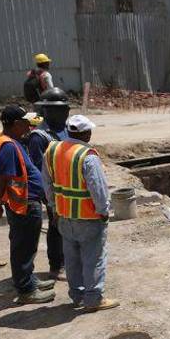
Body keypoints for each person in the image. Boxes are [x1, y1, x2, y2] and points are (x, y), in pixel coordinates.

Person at [43, 114, 118, 313]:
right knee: (94, 259)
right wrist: (103, 211)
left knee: (72, 259)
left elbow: (47, 184)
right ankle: (93, 299)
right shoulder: (88, 156)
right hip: (88, 217)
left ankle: (77, 295)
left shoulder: (52, 150)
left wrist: (54, 207)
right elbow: (98, 189)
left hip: (64, 216)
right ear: (86, 133)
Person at [0, 105, 54, 304]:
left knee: (27, 246)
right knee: (23, 247)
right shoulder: (7, 146)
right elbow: (0, 178)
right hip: (23, 204)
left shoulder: (9, 142)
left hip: (24, 202)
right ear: (16, 124)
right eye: (26, 122)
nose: (29, 126)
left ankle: (29, 280)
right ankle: (26, 290)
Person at [23, 105, 65, 281]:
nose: (65, 113)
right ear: (47, 111)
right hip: (53, 190)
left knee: (69, 228)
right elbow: (40, 169)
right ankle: (56, 266)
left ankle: (68, 261)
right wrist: (48, 197)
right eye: (60, 110)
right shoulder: (39, 137)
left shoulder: (65, 129)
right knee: (56, 228)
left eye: (66, 109)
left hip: (70, 189)